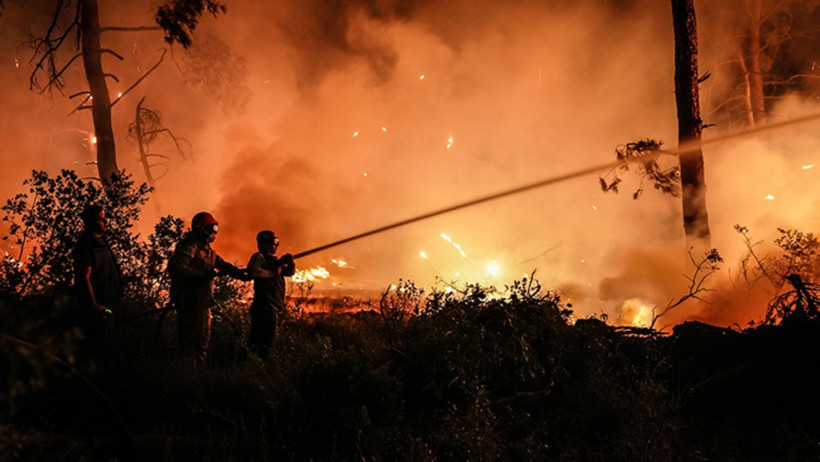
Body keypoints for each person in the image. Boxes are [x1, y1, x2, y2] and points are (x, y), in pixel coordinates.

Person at [168, 212, 247, 365]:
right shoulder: (191, 247)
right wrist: (201, 274)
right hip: (190, 300)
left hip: (203, 301)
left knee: (203, 341)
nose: (215, 232)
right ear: (202, 229)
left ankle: (197, 373)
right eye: (212, 228)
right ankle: (184, 372)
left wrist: (243, 275)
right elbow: (177, 267)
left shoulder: (209, 251)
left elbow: (223, 265)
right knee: (192, 341)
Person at [72, 203, 123, 353]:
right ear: (90, 222)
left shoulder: (103, 242)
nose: (105, 222)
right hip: (99, 306)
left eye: (104, 218)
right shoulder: (85, 247)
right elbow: (84, 278)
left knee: (110, 345)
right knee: (98, 347)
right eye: (101, 219)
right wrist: (94, 306)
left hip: (111, 300)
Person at [246, 230, 295, 358]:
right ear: (265, 243)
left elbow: (289, 272)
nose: (276, 246)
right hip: (264, 308)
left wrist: (290, 263)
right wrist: (272, 272)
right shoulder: (258, 258)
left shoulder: (273, 261)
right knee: (262, 344)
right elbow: (253, 272)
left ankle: (251, 365)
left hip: (271, 308)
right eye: (274, 242)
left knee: (263, 342)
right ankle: (254, 368)